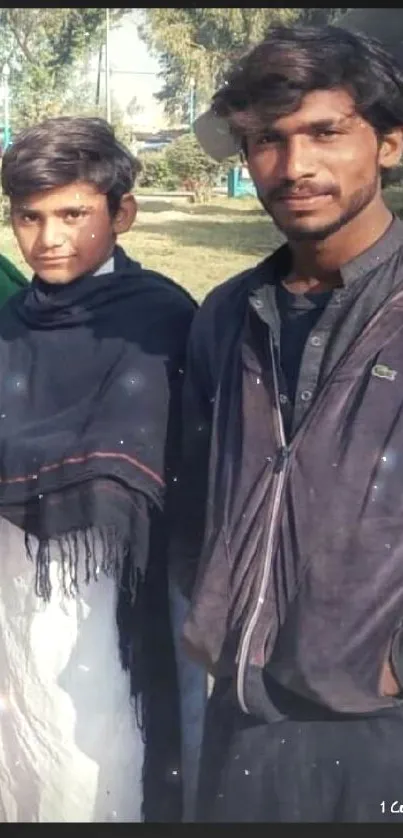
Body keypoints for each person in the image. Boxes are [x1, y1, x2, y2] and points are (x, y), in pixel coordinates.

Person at [170, 24, 403, 822]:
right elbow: (193, 487)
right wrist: (211, 608)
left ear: (388, 144)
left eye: (324, 133)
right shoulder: (226, 315)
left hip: (379, 725)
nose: (294, 165)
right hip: (246, 711)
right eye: (266, 139)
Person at [0, 116, 196, 822]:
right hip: (12, 586)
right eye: (30, 216)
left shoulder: (159, 319)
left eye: (73, 214)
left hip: (108, 593)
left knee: (90, 759)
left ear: (124, 213)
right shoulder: (14, 318)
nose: (49, 238)